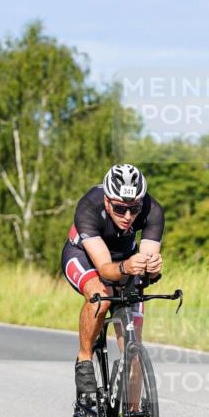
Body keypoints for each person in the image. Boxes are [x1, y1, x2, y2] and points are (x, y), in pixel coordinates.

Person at [61, 164, 164, 401]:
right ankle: (84, 358)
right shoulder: (89, 206)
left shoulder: (153, 210)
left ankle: (134, 414)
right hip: (85, 257)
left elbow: (147, 263)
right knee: (100, 295)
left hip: (125, 259)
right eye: (119, 208)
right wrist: (127, 267)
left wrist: (152, 270)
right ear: (107, 201)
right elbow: (105, 269)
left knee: (134, 349)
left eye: (134, 208)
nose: (128, 216)